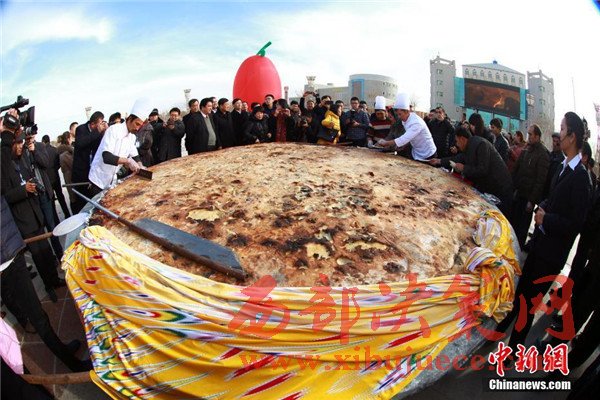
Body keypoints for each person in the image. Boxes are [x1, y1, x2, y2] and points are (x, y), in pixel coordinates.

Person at [496, 112, 592, 350]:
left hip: (551, 256)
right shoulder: (562, 166)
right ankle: (499, 329)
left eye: (563, 129)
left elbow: (575, 224)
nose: (559, 134)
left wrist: (546, 219)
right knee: (521, 294)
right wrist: (544, 208)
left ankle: (513, 352)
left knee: (529, 304)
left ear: (572, 136)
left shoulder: (582, 178)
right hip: (540, 245)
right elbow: (553, 197)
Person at [1, 196, 91, 373]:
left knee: (38, 314)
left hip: (13, 252)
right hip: (4, 265)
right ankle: (72, 364)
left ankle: (62, 350)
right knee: (38, 318)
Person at [1, 112, 63, 302]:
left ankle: (55, 279)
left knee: (46, 252)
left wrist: (34, 186)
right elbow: (5, 196)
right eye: (17, 144)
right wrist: (24, 190)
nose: (20, 146)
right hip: (23, 222)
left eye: (22, 143)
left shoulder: (22, 161)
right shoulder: (4, 167)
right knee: (38, 256)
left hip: (36, 215)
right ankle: (48, 286)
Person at [430, 126, 513, 215]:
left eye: (457, 141)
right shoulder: (469, 146)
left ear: (462, 139)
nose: (456, 144)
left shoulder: (481, 144)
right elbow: (457, 158)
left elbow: (482, 169)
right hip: (489, 188)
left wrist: (464, 168)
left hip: (500, 189)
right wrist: (439, 161)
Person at [88, 99, 149, 194]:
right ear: (129, 119)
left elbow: (135, 156)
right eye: (136, 124)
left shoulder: (132, 136)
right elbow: (106, 157)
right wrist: (128, 161)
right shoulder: (113, 130)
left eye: (140, 126)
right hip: (98, 179)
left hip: (112, 179)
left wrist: (140, 165)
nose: (137, 128)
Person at [510, 124, 550, 247]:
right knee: (512, 223)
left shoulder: (543, 154)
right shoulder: (527, 149)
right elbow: (517, 169)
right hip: (519, 193)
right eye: (528, 134)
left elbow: (540, 181)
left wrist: (531, 201)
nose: (528, 137)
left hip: (528, 198)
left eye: (530, 134)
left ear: (537, 136)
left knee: (522, 229)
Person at [377, 93, 437, 161]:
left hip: (428, 153)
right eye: (397, 115)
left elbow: (403, 139)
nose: (399, 117)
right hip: (416, 152)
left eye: (400, 114)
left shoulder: (416, 123)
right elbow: (407, 138)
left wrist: (386, 143)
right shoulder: (404, 120)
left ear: (407, 111)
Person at [71, 111, 107, 213]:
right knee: (82, 202)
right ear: (92, 124)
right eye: (100, 123)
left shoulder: (98, 133)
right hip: (81, 174)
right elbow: (81, 143)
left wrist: (104, 132)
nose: (101, 125)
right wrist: (97, 132)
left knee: (94, 202)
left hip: (93, 173)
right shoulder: (81, 129)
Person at [41, 134, 70, 219]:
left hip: (47, 179)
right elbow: (58, 164)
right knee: (60, 196)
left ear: (43, 141)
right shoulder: (55, 150)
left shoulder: (43, 152)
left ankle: (56, 219)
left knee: (52, 199)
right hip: (56, 177)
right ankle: (67, 214)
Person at [543, 132, 566, 199]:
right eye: (553, 141)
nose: (554, 144)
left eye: (557, 142)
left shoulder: (562, 161)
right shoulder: (549, 155)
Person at [57, 132, 76, 208]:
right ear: (68, 139)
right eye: (71, 138)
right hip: (71, 178)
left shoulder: (64, 151)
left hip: (68, 177)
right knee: (73, 198)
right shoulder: (66, 153)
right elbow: (73, 165)